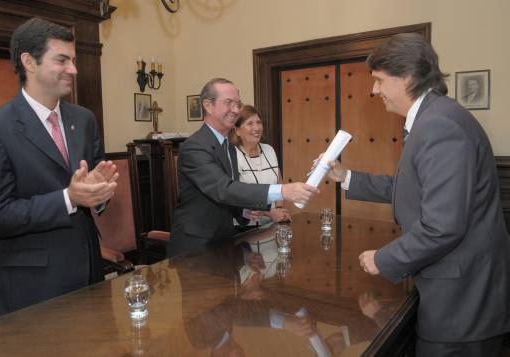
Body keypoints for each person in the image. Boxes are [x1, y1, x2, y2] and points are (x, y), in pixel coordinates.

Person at [324, 33, 510, 356]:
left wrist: (383, 258)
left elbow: (442, 226)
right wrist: (345, 176)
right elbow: (411, 187)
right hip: (460, 297)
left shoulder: (439, 126)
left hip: (462, 307)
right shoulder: (433, 118)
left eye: (380, 81)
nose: (374, 90)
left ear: (407, 77)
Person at [0, 18, 118, 315]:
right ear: (29, 62)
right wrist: (68, 198)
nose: (73, 69)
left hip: (90, 276)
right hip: (33, 287)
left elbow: (92, 188)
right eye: (62, 60)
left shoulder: (84, 119)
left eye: (73, 60)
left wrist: (99, 195)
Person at [167, 78, 317, 256]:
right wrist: (283, 191)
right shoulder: (195, 146)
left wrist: (243, 211)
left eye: (237, 103)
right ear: (208, 105)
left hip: (224, 242)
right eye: (228, 103)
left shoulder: (228, 146)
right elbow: (222, 189)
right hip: (196, 247)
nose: (236, 110)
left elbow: (225, 197)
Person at [230, 105, 291, 227]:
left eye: (258, 122)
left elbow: (279, 181)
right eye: (250, 123)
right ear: (237, 130)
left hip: (272, 224)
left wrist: (279, 209)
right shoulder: (232, 155)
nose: (256, 128)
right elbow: (236, 195)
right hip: (245, 227)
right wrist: (270, 213)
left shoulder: (269, 150)